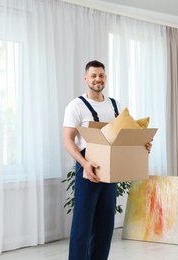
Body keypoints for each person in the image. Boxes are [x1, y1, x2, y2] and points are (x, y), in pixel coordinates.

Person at [63, 60, 152, 259]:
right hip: (88, 166)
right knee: (82, 225)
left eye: (101, 75)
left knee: (105, 225)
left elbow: (124, 136)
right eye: (93, 76)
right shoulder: (76, 106)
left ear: (106, 78)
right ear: (86, 78)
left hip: (111, 169)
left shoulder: (115, 105)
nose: (98, 79)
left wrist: (141, 144)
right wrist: (84, 164)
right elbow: (67, 141)